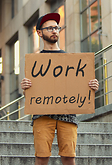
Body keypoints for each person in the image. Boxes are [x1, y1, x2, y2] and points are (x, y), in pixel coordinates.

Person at [21, 12, 99, 165]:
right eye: (50, 28)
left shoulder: (71, 60)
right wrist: (26, 88)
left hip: (67, 114)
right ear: (39, 32)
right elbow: (31, 93)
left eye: (56, 27)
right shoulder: (35, 63)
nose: (55, 31)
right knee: (41, 158)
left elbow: (79, 86)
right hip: (42, 114)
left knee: (69, 157)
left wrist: (91, 87)